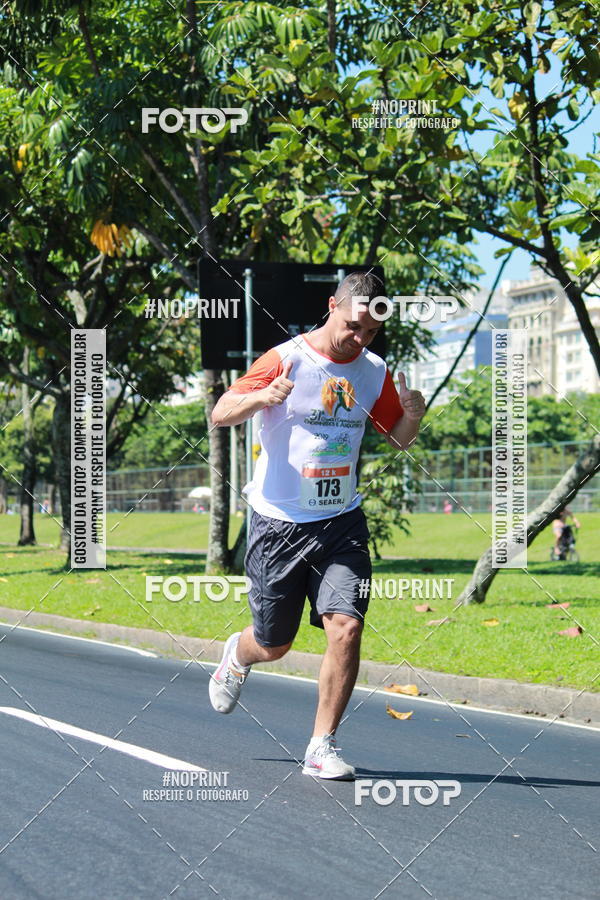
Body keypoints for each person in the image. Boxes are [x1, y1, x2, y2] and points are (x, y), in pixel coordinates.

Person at [208, 272, 426, 779]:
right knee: (274, 644)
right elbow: (221, 412)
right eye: (353, 326)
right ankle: (237, 656)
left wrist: (412, 416)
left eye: (371, 332)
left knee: (346, 628)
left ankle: (321, 746)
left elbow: (396, 439)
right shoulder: (287, 358)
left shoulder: (374, 370)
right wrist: (261, 400)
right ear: (333, 305)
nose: (360, 339)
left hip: (341, 522)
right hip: (279, 524)